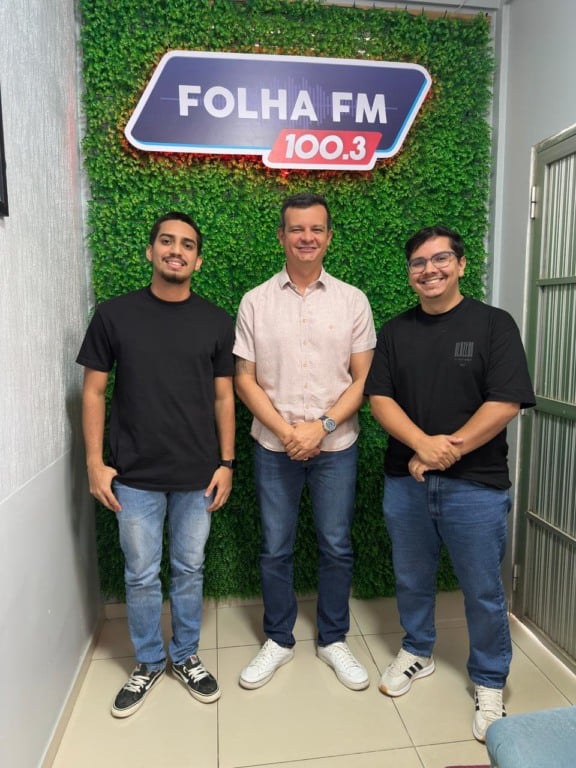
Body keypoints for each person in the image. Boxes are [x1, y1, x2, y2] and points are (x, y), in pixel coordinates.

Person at [364, 225, 535, 741]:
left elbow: (505, 402)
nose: (429, 269)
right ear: (409, 274)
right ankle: (418, 650)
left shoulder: (494, 325)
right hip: (407, 482)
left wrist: (448, 450)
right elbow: (380, 399)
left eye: (440, 259)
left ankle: (489, 680)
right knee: (411, 577)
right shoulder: (395, 332)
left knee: (482, 590)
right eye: (418, 262)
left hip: (476, 485)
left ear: (460, 265)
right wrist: (422, 445)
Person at [77, 212, 235, 717]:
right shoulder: (113, 315)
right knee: (142, 575)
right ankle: (147, 661)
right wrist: (95, 463)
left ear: (198, 260)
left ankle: (185, 656)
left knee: (189, 569)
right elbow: (93, 392)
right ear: (150, 251)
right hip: (134, 476)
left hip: (197, 475)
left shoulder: (216, 321)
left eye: (187, 244)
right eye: (167, 241)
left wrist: (227, 462)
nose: (176, 251)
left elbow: (224, 398)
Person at [233, 192, 376, 691]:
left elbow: (363, 379)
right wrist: (287, 431)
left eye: (316, 229)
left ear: (329, 237)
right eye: (297, 229)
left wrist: (322, 427)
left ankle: (333, 638)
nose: (306, 237)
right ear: (282, 236)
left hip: (337, 447)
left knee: (336, 545)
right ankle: (279, 639)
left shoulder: (353, 300)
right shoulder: (255, 301)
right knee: (275, 547)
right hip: (274, 448)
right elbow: (244, 379)